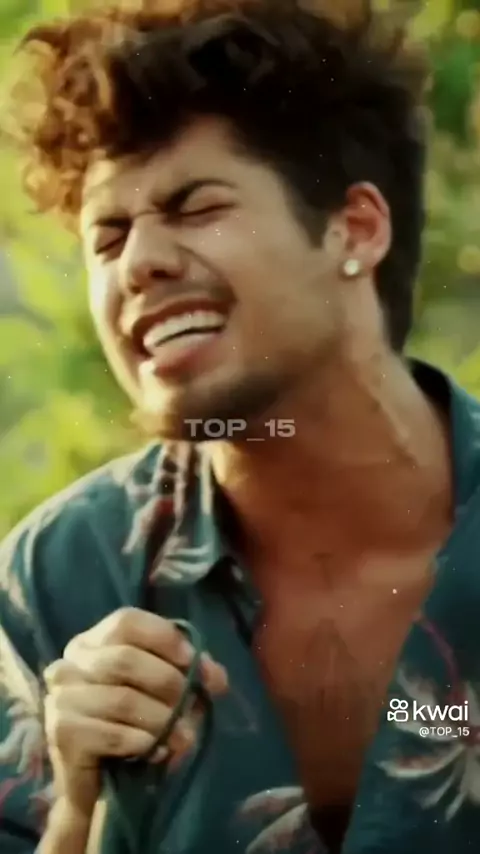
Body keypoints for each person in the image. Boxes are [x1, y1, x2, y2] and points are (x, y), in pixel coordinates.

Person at [0, 1, 478, 852]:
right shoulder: (55, 582)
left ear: (355, 230)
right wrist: (75, 812)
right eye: (108, 238)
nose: (138, 263)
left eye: (195, 207)